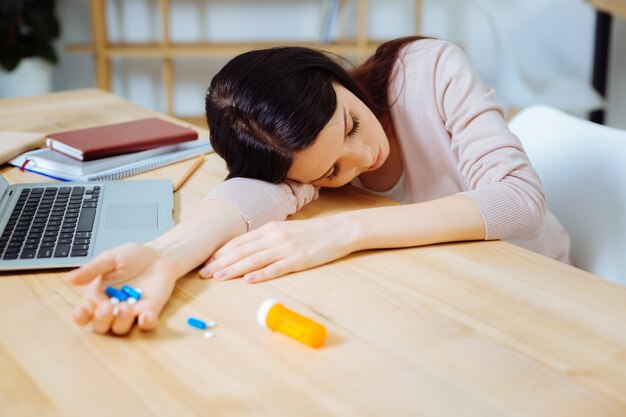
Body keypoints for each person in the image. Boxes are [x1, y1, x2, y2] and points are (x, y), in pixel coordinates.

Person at [67, 36, 571, 335]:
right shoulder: (300, 162)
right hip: (451, 304)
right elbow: (254, 193)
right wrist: (168, 256)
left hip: (538, 292)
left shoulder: (430, 70)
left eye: (351, 124)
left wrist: (341, 232)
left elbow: (519, 203)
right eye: (331, 173)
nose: (362, 157)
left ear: (334, 76)